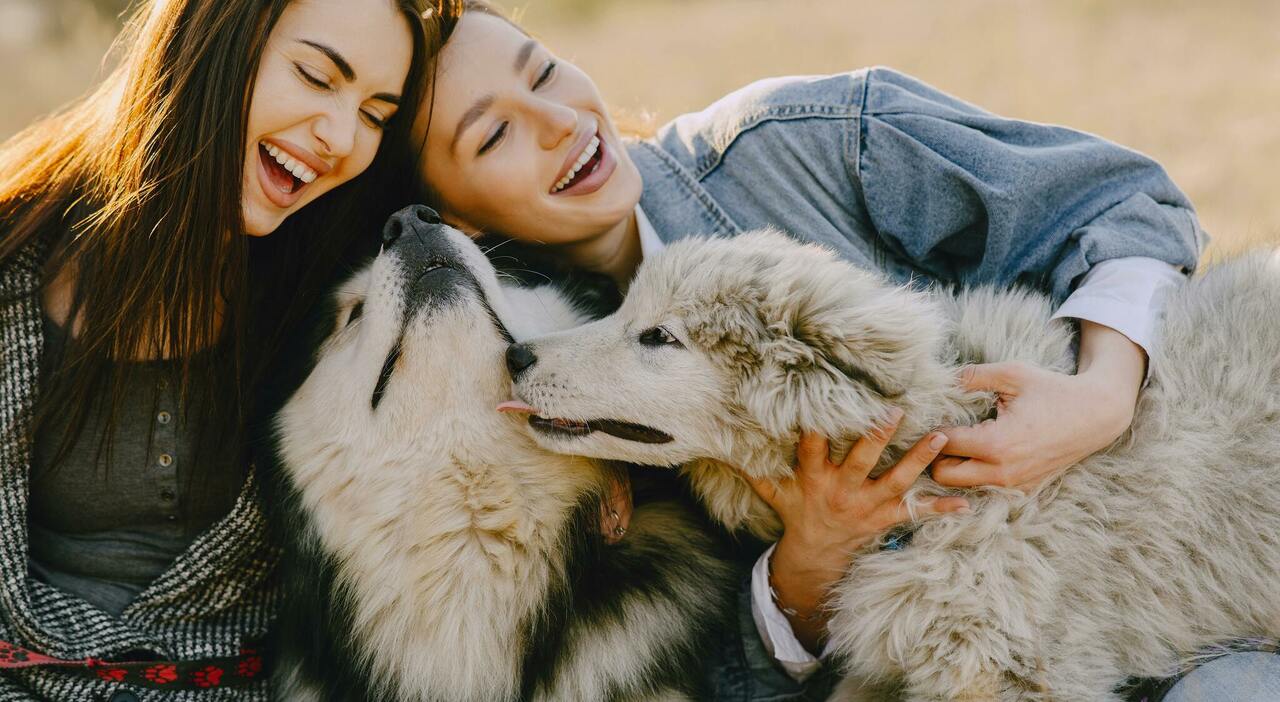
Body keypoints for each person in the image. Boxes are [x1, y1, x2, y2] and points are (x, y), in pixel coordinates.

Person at [410, 2, 1280, 700]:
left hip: (1158, 523)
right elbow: (702, 672)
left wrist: (1099, 397)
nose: (562, 122)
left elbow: (1122, 203)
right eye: (494, 136)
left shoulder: (803, 139)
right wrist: (806, 563)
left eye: (546, 72)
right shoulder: (534, 378)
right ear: (458, 223)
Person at [0, 0, 436, 698]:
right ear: (210, 37)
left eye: (376, 114)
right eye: (317, 76)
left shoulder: (340, 297)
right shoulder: (15, 252)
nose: (340, 137)